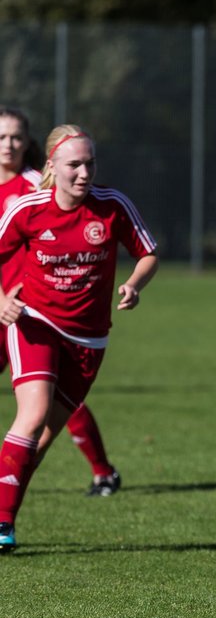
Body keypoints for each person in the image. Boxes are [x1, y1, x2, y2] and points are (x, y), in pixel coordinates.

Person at [0, 124, 158, 553]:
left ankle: (5, 506)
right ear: (52, 166)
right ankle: (2, 525)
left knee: (44, 438)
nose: (84, 172)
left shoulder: (113, 205)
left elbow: (147, 253)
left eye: (90, 163)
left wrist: (134, 285)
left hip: (88, 338)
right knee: (30, 418)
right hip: (35, 322)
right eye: (74, 165)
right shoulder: (29, 209)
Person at [0, 107, 124, 498]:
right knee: (37, 406)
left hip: (32, 311)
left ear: (29, 142)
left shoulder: (41, 184)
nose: (9, 145)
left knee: (49, 401)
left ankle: (102, 470)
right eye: (1, 137)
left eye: (16, 137)